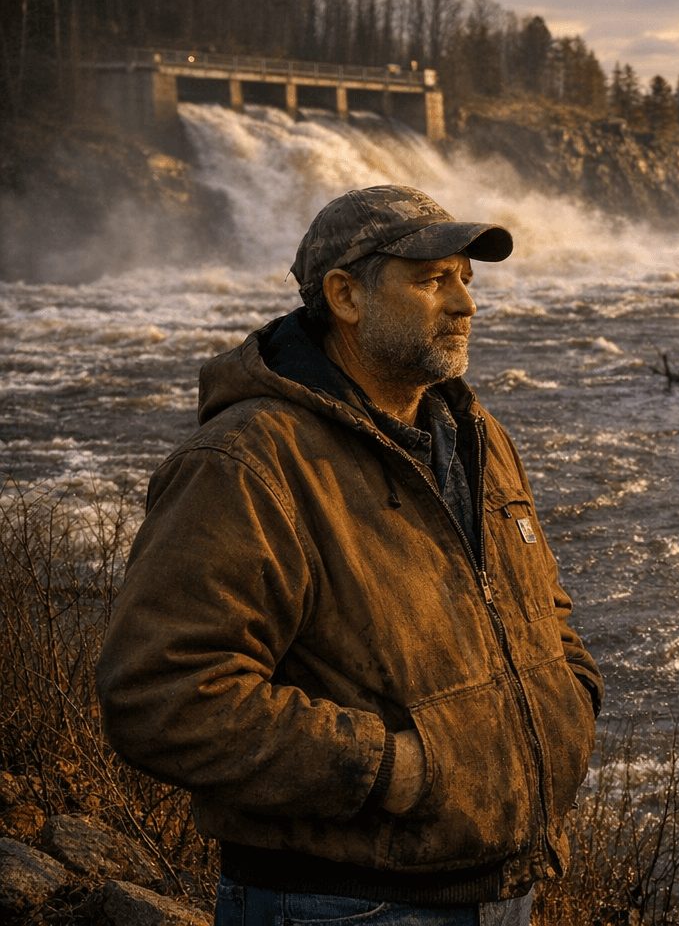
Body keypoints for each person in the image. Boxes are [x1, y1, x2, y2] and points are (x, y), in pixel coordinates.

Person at [97, 185, 602, 926]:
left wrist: (571, 703)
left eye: (467, 278)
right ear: (346, 296)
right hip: (338, 904)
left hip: (502, 891)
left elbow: (541, 606)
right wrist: (394, 770)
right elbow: (163, 694)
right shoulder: (247, 462)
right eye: (433, 280)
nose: (465, 304)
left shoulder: (476, 438)